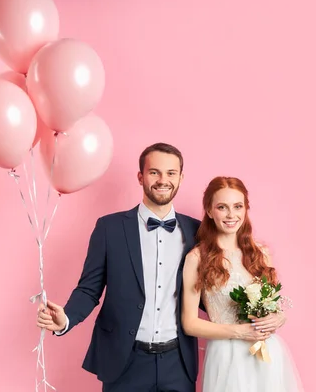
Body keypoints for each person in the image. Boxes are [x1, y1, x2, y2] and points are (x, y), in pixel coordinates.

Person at [35, 142, 203, 392]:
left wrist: (253, 314)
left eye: (171, 173)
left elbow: (207, 293)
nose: (162, 180)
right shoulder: (109, 228)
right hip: (124, 362)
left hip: (178, 363)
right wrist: (66, 318)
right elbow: (89, 289)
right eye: (154, 172)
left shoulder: (196, 231)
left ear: (181, 177)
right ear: (140, 176)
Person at [182, 176, 304, 392]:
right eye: (222, 207)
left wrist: (278, 318)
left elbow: (273, 307)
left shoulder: (260, 253)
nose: (231, 215)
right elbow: (190, 323)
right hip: (227, 356)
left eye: (238, 206)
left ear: (246, 209)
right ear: (209, 211)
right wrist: (240, 332)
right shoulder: (197, 258)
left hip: (266, 353)